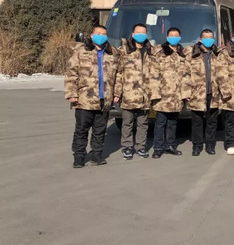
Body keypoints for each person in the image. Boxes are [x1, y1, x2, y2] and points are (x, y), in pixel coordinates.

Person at [64, 24, 119, 168]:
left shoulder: (112, 52)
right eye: (98, 33)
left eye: (104, 34)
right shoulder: (81, 51)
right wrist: (71, 93)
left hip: (104, 99)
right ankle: (79, 156)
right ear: (92, 36)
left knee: (100, 130)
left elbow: (118, 75)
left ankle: (97, 154)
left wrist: (117, 93)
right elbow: (71, 72)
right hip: (85, 99)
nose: (101, 36)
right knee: (81, 130)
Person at [148, 27, 190, 159]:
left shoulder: (183, 54)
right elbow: (153, 74)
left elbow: (186, 75)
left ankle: (170, 146)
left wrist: (186, 94)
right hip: (163, 95)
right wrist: (155, 94)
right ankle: (158, 148)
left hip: (177, 96)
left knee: (173, 122)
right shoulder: (159, 53)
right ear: (167, 37)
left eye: (176, 35)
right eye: (171, 35)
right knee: (160, 122)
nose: (174, 37)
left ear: (180, 37)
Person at [114, 23, 152, 160]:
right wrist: (117, 93)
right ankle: (127, 147)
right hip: (129, 94)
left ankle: (141, 146)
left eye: (143, 33)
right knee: (127, 123)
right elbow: (119, 73)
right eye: (138, 32)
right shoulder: (124, 50)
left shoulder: (150, 51)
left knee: (143, 123)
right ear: (133, 34)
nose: (141, 35)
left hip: (145, 95)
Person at [186, 29, 220, 157]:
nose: (208, 39)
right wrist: (187, 92)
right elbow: (185, 74)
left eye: (211, 37)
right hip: (197, 93)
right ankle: (197, 145)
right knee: (197, 121)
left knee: (212, 121)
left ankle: (210, 145)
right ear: (200, 39)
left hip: (214, 92)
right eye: (206, 37)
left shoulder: (217, 53)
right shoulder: (191, 53)